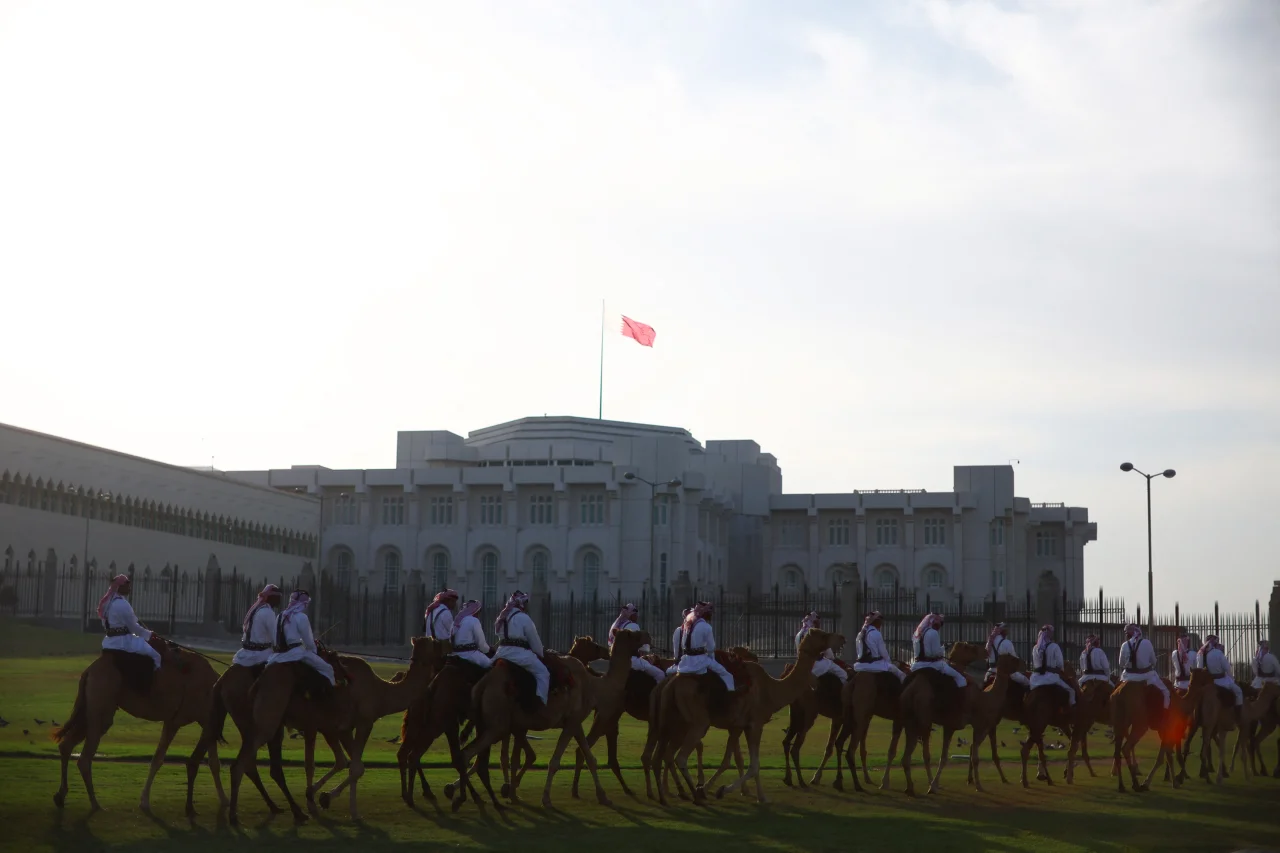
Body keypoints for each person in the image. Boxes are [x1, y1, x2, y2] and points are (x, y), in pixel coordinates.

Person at [494, 591, 550, 708]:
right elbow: (534, 641)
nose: (527, 606)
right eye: (526, 603)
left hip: (501, 653)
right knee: (543, 673)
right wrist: (540, 653)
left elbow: (498, 634)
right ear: (522, 604)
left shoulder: (502, 617)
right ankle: (541, 703)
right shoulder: (524, 618)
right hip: (519, 655)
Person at [267, 590, 335, 685]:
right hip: (296, 654)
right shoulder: (302, 617)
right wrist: (314, 651)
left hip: (277, 655)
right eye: (305, 604)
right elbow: (309, 641)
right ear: (302, 604)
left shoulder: (280, 616)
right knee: (328, 669)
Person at [98, 574, 162, 670]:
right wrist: (149, 634)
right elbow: (133, 628)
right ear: (120, 587)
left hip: (108, 642)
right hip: (124, 642)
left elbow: (105, 624)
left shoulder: (107, 604)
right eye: (127, 585)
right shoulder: (122, 604)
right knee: (156, 656)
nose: (129, 588)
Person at [673, 602, 734, 690]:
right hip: (700, 661)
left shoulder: (687, 625)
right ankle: (730, 694)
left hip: (685, 661)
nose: (711, 615)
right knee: (727, 675)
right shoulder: (706, 627)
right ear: (705, 613)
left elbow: (683, 644)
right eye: (710, 613)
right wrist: (712, 659)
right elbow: (711, 648)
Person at [609, 603, 665, 683]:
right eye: (635, 614)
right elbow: (643, 648)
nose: (637, 616)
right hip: (632, 661)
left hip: (617, 661)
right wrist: (648, 646)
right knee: (660, 674)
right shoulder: (633, 626)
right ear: (631, 615)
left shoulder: (617, 626)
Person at [1118, 623, 1168, 709]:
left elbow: (1121, 664)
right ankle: (1165, 710)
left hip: (1127, 677)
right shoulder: (1147, 643)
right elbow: (1154, 662)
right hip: (1146, 678)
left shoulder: (1124, 645)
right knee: (1166, 692)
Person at [909, 612, 966, 689]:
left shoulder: (917, 634)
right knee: (960, 677)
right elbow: (935, 653)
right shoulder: (933, 632)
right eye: (939, 623)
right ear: (932, 622)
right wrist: (944, 648)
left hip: (917, 665)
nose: (939, 626)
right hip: (932, 664)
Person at [232, 584, 282, 667]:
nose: (280, 601)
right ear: (272, 598)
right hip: (261, 655)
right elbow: (275, 638)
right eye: (278, 598)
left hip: (245, 653)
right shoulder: (268, 612)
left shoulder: (255, 610)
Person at [1028, 624, 1075, 705]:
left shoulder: (1035, 648)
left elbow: (1035, 663)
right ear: (1050, 634)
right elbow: (1060, 664)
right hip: (1051, 678)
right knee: (1071, 691)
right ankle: (1072, 705)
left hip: (1035, 679)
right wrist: (1060, 670)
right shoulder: (1054, 646)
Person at [853, 610, 904, 682]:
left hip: (859, 666)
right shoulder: (876, 633)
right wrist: (889, 662)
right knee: (901, 675)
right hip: (875, 665)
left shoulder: (860, 634)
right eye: (880, 621)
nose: (881, 623)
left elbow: (858, 650)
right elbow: (883, 653)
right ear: (876, 621)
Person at [796, 611, 846, 683]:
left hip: (803, 664)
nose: (819, 625)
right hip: (816, 664)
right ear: (814, 622)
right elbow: (828, 654)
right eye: (817, 623)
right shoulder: (813, 635)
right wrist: (832, 657)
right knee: (843, 675)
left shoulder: (798, 635)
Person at [1197, 635, 1243, 707]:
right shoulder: (1218, 653)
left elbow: (1199, 669)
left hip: (1207, 683)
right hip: (1222, 682)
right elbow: (1227, 668)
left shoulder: (1200, 654)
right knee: (1239, 692)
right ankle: (1238, 712)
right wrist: (1233, 680)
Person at [448, 599, 492, 669]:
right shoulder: (474, 620)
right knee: (490, 665)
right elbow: (481, 643)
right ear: (476, 611)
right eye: (479, 612)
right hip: (470, 655)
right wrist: (488, 650)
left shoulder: (456, 621)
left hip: (455, 654)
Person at [985, 622, 1030, 688]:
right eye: (1006, 629)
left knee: (984, 683)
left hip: (991, 671)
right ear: (1002, 631)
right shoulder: (1007, 643)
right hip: (1005, 671)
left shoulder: (989, 643)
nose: (1007, 631)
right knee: (1027, 681)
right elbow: (1014, 658)